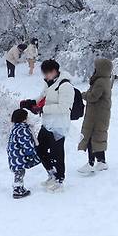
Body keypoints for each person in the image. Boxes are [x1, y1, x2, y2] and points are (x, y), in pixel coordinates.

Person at [30, 59, 74, 192]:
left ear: (54, 71)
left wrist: (43, 109)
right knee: (40, 148)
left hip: (59, 126)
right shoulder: (49, 83)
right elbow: (42, 97)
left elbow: (65, 108)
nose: (45, 76)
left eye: (46, 73)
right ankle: (51, 173)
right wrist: (31, 103)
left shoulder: (65, 86)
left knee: (57, 153)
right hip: (47, 123)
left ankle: (59, 179)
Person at [78, 58, 113, 174]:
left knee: (90, 137)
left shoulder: (100, 82)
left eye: (96, 67)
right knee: (98, 136)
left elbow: (93, 97)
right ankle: (101, 161)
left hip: (96, 114)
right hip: (101, 113)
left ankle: (91, 163)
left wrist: (81, 95)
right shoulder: (106, 80)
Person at [7, 108, 41, 199]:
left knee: (19, 172)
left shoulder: (16, 127)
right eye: (27, 117)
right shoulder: (23, 129)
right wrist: (30, 154)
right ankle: (18, 190)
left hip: (14, 154)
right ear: (23, 118)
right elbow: (26, 143)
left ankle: (18, 187)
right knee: (20, 172)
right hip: (19, 156)